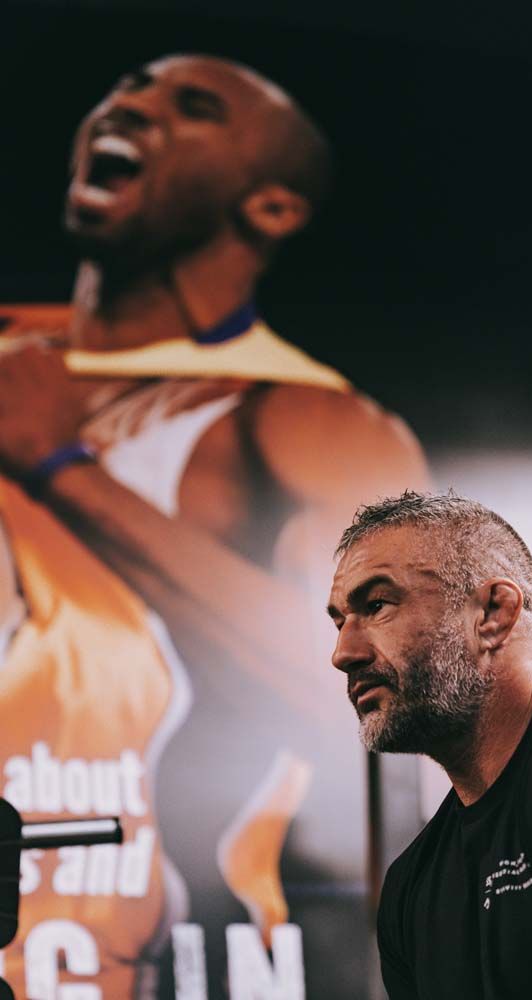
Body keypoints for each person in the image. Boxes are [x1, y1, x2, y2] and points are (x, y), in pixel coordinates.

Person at [0, 55, 428, 999]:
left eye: (190, 109)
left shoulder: (310, 421)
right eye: (127, 88)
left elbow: (374, 702)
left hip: (165, 935)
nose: (131, 106)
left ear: (269, 208)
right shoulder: (15, 347)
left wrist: (64, 471)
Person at [327, 490, 532, 1000]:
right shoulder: (412, 889)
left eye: (376, 605)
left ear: (493, 612)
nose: (343, 653)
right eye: (338, 621)